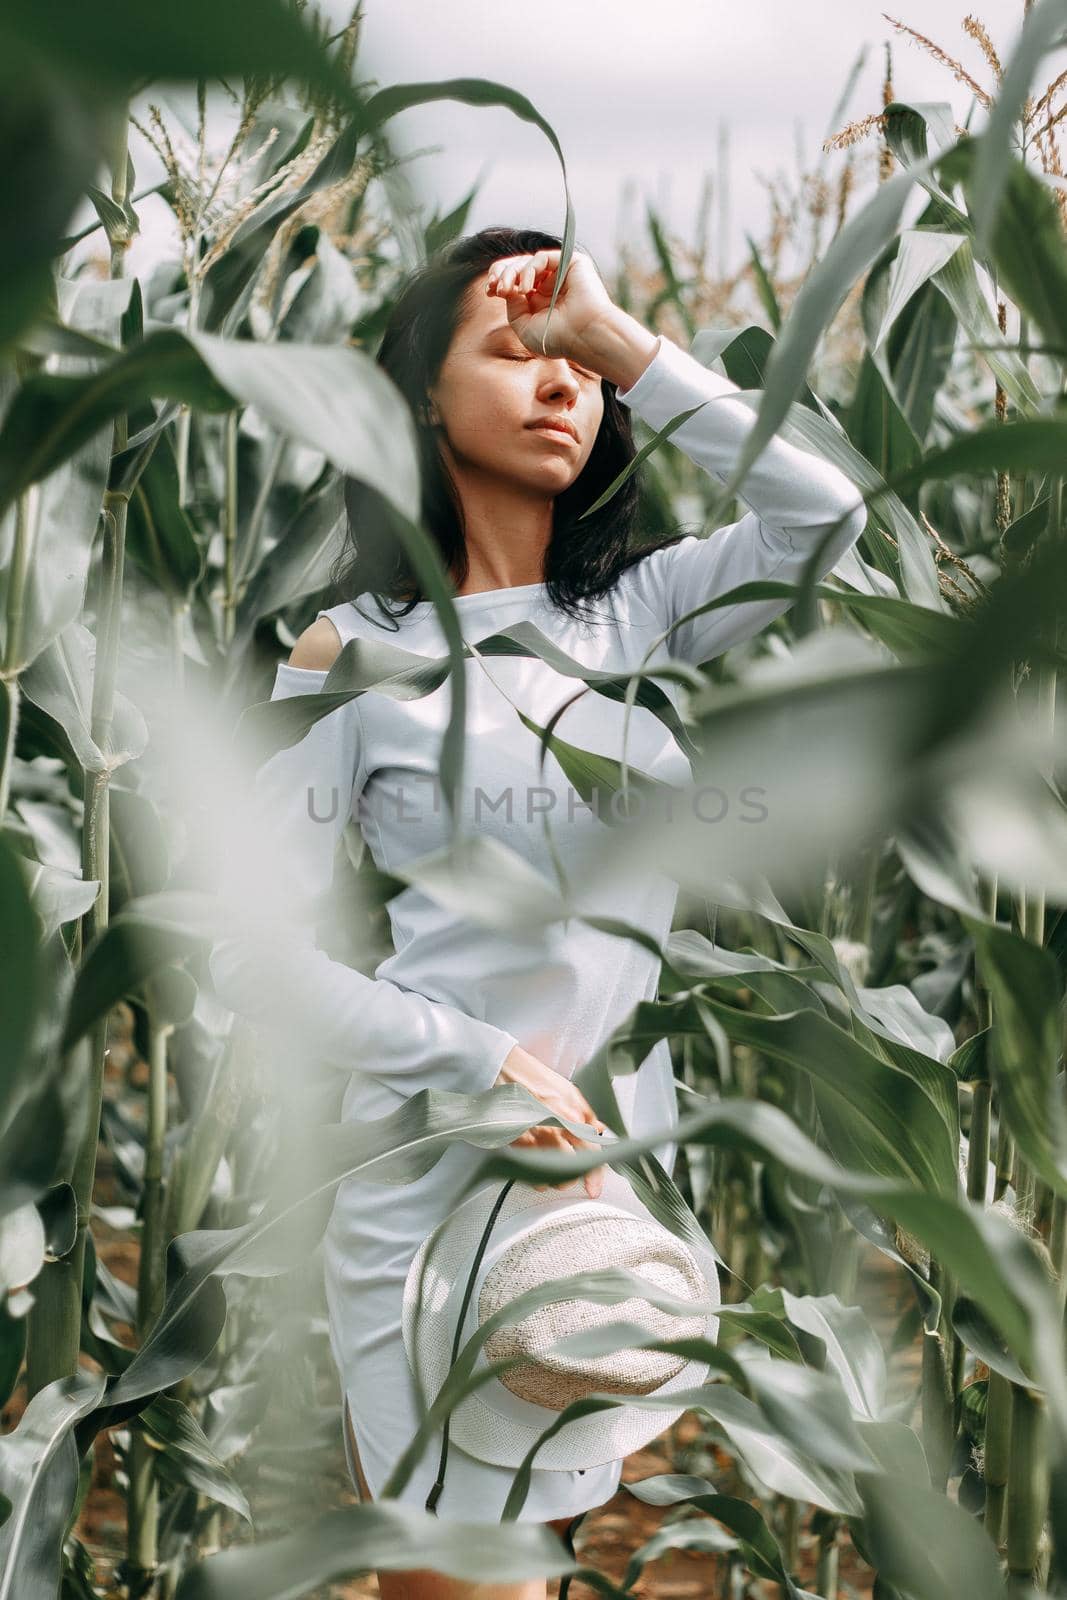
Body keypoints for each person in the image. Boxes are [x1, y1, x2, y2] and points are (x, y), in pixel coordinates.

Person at [208, 225, 866, 1599]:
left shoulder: (639, 615)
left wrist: (618, 336)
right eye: (517, 352)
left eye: (584, 370)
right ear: (418, 403)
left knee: (534, 1573)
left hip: (592, 1199)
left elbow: (827, 518)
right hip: (436, 1182)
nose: (564, 383)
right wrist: (471, 1060)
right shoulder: (354, 651)